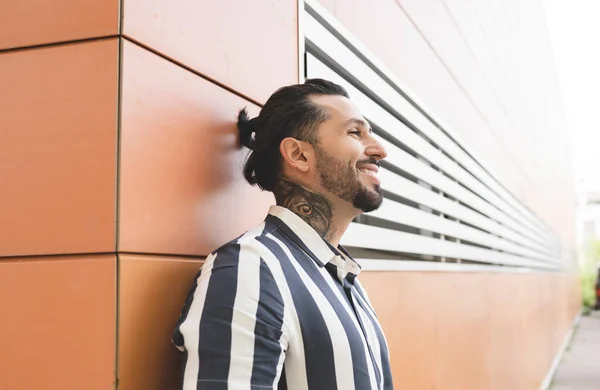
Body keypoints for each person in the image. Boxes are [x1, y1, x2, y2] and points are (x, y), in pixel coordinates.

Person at [173, 78, 393, 390]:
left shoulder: (342, 276)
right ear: (298, 155)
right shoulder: (252, 269)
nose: (380, 149)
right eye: (355, 132)